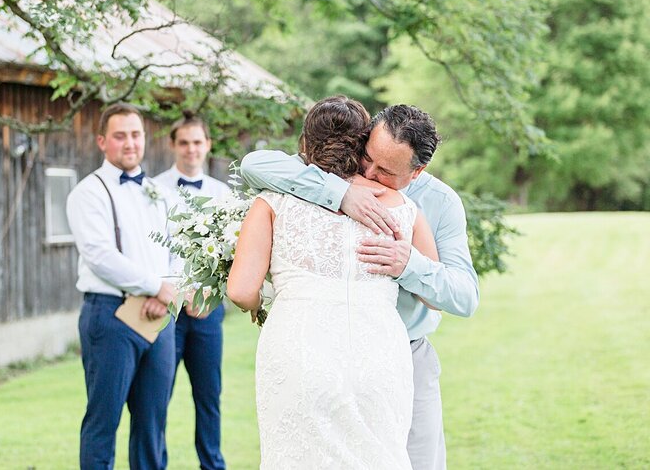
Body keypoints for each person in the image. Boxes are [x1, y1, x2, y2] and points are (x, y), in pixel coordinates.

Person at [240, 102, 480, 470]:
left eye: (386, 171)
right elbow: (254, 165)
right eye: (368, 156)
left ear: (417, 172)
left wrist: (409, 265)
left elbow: (464, 296)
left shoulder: (441, 203)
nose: (367, 172)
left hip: (403, 354)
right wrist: (340, 193)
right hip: (321, 350)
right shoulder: (331, 172)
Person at [66, 102, 178, 470]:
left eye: (135, 134)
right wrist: (155, 286)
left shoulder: (159, 193)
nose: (129, 143)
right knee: (104, 421)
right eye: (119, 136)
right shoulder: (88, 193)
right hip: (110, 316)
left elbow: (177, 251)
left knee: (153, 424)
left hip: (158, 319)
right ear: (102, 141)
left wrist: (166, 291)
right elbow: (100, 255)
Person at [153, 116, 229, 470]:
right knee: (157, 395)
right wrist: (174, 292)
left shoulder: (223, 194)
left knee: (209, 396)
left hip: (207, 312)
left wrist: (209, 297)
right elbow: (151, 250)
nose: (191, 149)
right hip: (165, 311)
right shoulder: (153, 190)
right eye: (184, 142)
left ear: (207, 144)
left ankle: (212, 465)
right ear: (173, 145)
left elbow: (231, 255)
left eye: (197, 142)